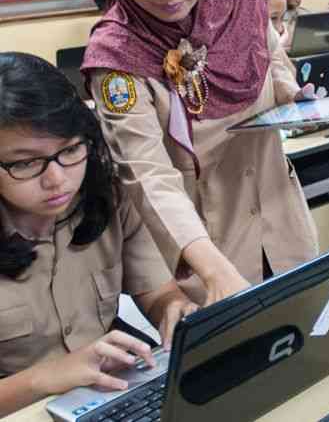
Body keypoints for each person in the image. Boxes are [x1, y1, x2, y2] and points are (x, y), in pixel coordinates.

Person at [81, 0, 319, 306]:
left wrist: (288, 91)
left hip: (279, 209)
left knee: (307, 324)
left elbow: (271, 52)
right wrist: (215, 270)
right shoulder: (116, 55)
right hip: (205, 238)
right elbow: (147, 175)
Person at [0, 52, 198, 417]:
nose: (57, 179)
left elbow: (157, 292)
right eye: (26, 162)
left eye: (71, 150)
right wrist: (44, 378)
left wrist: (174, 310)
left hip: (109, 395)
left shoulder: (109, 196)